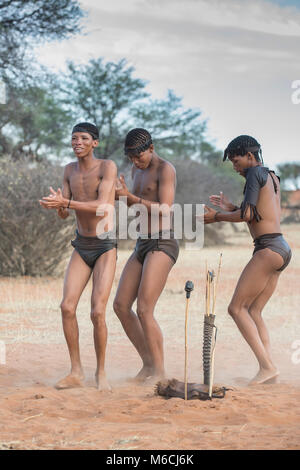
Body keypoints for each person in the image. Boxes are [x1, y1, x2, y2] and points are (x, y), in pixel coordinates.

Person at [203, 135, 292, 385]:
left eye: (236, 160)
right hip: (281, 248)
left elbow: (247, 215)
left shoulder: (254, 173)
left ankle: (267, 367)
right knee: (254, 311)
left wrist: (218, 217)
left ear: (250, 156)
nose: (235, 167)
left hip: (267, 249)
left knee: (236, 308)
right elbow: (257, 213)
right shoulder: (270, 175)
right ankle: (268, 369)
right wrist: (232, 206)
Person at [39, 122, 117, 391]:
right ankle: (76, 371)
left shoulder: (107, 167)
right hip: (81, 245)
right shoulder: (68, 170)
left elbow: (103, 206)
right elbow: (65, 210)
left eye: (84, 138)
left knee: (97, 311)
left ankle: (102, 372)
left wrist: (66, 203)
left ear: (94, 143)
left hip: (105, 246)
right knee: (67, 307)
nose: (78, 142)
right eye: (74, 138)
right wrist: (58, 205)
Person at [113, 128, 179, 382]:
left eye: (139, 157)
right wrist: (122, 196)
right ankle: (149, 364)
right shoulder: (134, 169)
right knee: (120, 306)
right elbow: (135, 203)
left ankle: (161, 373)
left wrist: (130, 196)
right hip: (142, 242)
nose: (135, 162)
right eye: (131, 158)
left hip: (163, 241)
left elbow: (165, 208)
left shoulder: (166, 169)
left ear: (151, 148)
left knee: (144, 309)